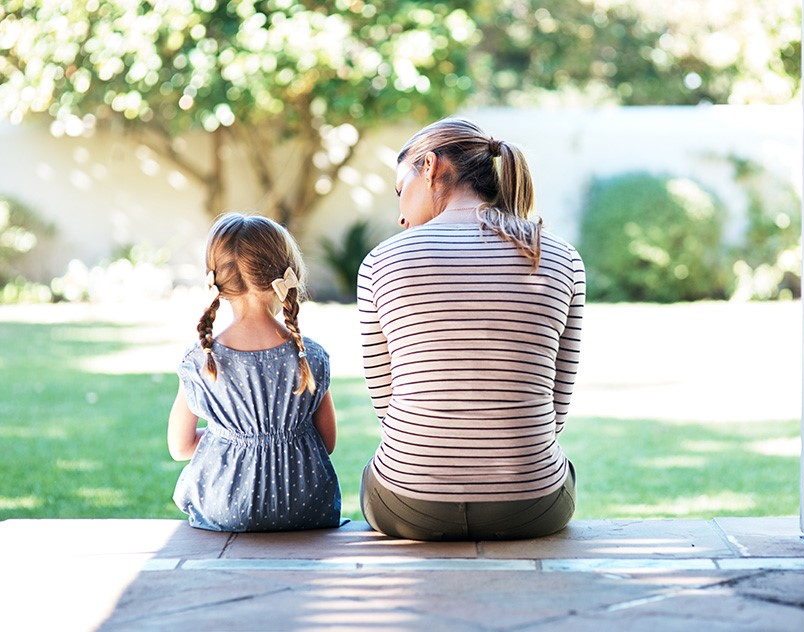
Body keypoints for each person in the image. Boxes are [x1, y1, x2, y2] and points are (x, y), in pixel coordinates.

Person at [357, 118, 585, 541]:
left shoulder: (381, 262)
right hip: (531, 505)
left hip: (409, 506)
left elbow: (386, 405)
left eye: (399, 190)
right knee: (561, 468)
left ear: (429, 166)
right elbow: (556, 407)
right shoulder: (559, 256)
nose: (400, 214)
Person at [167, 213, 342, 532]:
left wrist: (232, 436)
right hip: (305, 507)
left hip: (225, 509)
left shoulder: (200, 360)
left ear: (216, 282)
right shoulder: (311, 356)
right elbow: (327, 442)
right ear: (288, 276)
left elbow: (180, 447)